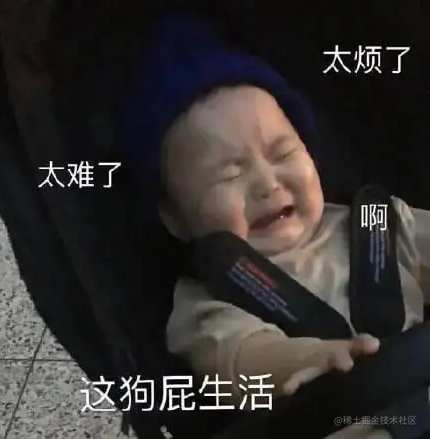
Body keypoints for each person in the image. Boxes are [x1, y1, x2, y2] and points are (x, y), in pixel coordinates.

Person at [116, 11, 430, 438]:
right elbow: (241, 360)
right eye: (229, 175)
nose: (267, 183)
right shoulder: (209, 301)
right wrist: (302, 360)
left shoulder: (376, 225)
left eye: (283, 154)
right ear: (176, 218)